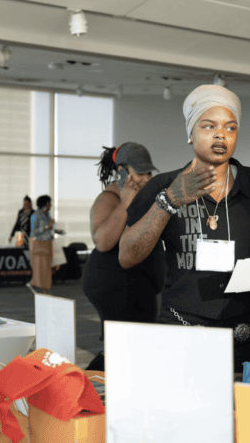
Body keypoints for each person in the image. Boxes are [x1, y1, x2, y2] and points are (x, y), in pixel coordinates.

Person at [119, 85, 250, 373]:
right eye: (208, 126)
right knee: (187, 415)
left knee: (249, 416)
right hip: (183, 335)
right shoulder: (163, 186)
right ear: (190, 133)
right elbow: (127, 255)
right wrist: (170, 201)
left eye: (230, 127)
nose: (220, 134)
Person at [82, 143, 163, 369]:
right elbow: (103, 241)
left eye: (149, 171)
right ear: (122, 171)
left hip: (137, 283)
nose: (147, 177)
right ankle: (93, 386)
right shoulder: (108, 199)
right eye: (140, 171)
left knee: (133, 345)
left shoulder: (144, 197)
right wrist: (126, 199)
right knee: (126, 346)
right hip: (115, 284)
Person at [30, 195, 63, 294]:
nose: (51, 205)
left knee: (49, 266)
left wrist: (55, 230)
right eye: (49, 203)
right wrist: (46, 227)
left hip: (48, 242)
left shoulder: (48, 214)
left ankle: (43, 285)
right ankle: (44, 287)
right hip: (39, 243)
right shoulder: (35, 215)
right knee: (42, 267)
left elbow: (50, 227)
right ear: (45, 204)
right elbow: (34, 231)